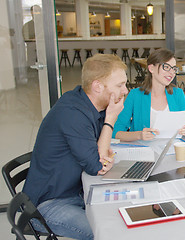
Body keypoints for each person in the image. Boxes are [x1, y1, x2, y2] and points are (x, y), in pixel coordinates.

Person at [23, 54, 128, 239]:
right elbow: (98, 166)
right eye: (119, 85)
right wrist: (111, 119)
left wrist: (101, 154)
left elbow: (101, 155)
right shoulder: (73, 113)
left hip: (75, 192)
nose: (125, 90)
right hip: (48, 205)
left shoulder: (87, 104)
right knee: (109, 233)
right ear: (97, 86)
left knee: (125, 212)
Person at [113, 48, 185, 141]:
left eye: (174, 68)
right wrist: (139, 135)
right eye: (166, 67)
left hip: (172, 150)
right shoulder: (135, 95)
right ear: (151, 68)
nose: (171, 73)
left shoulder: (178, 94)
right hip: (144, 152)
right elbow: (116, 132)